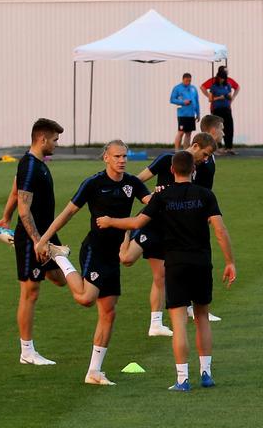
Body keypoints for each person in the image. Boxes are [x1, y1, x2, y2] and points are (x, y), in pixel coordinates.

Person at [100, 149, 236, 390]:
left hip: (175, 263)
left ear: (172, 170)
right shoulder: (206, 195)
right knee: (202, 317)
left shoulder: (163, 197)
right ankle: (206, 374)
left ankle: (182, 379)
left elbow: (136, 223)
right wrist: (230, 262)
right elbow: (220, 230)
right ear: (193, 170)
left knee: (179, 321)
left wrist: (110, 221)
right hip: (202, 262)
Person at [35, 140, 148, 384]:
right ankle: (60, 257)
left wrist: (168, 195)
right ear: (106, 157)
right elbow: (67, 213)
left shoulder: (132, 183)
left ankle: (94, 372)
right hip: (94, 250)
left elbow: (153, 206)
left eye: (125, 156)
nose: (122, 160)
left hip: (113, 255)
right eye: (117, 156)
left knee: (108, 312)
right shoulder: (93, 183)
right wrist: (44, 240)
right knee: (86, 299)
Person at [0, 118, 98, 367]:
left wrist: (4, 217)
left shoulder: (35, 164)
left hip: (46, 235)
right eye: (54, 140)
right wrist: (36, 241)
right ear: (42, 139)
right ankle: (27, 351)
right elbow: (24, 207)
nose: (56, 144)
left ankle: (29, 245)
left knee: (59, 279)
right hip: (36, 238)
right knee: (30, 292)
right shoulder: (30, 166)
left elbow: (14, 191)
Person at [126, 130, 220, 334]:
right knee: (127, 258)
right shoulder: (167, 160)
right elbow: (137, 180)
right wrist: (147, 198)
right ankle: (121, 233)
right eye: (205, 154)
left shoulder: (201, 171)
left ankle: (156, 323)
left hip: (171, 230)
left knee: (161, 275)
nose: (206, 159)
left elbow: (201, 199)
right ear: (195, 146)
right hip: (151, 223)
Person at [202, 66, 239, 153]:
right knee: (217, 128)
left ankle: (229, 147)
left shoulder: (228, 85)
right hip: (217, 109)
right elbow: (210, 99)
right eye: (221, 78)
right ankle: (217, 147)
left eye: (224, 78)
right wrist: (219, 97)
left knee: (229, 127)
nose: (222, 80)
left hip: (226, 108)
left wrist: (231, 97)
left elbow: (233, 91)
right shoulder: (214, 86)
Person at [170, 73, 200, 150]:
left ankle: (186, 151)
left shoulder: (193, 88)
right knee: (181, 132)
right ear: (183, 79)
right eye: (186, 81)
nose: (188, 82)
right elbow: (172, 99)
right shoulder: (177, 88)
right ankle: (177, 151)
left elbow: (196, 101)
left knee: (189, 133)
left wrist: (198, 113)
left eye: (189, 81)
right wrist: (183, 102)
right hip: (182, 114)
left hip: (191, 114)